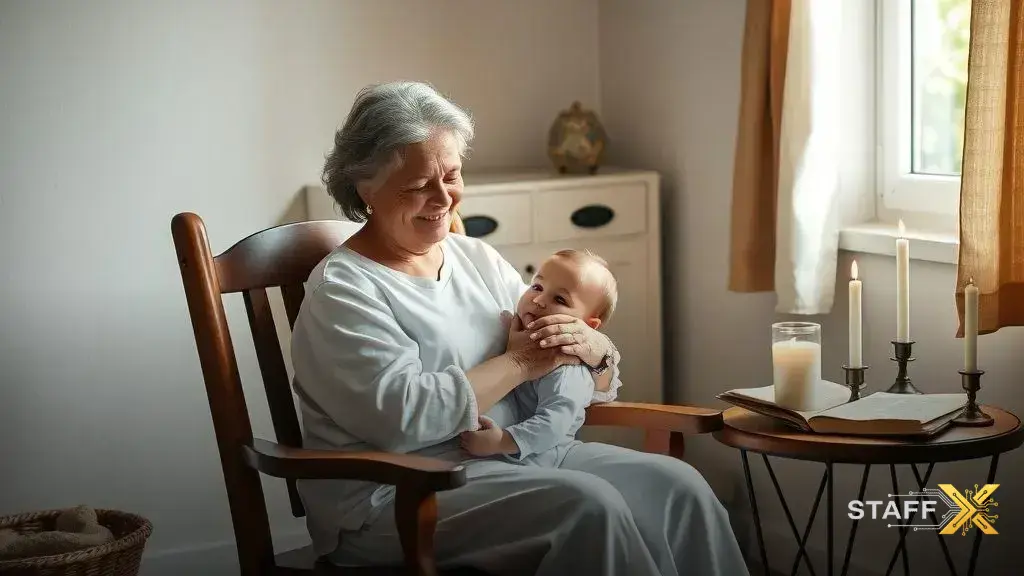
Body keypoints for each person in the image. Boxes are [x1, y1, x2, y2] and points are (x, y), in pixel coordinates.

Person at [289, 81, 750, 576]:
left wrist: (595, 350)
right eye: (419, 185)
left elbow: (566, 364)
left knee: (679, 487)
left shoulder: (475, 257)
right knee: (587, 505)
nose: (444, 198)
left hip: (517, 454)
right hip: (400, 493)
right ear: (366, 188)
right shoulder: (343, 290)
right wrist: (520, 362)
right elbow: (404, 418)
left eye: (452, 175)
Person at [460, 249, 618, 468]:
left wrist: (503, 441)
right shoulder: (516, 327)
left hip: (542, 457)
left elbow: (555, 422)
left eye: (560, 299)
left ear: (586, 327)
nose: (539, 300)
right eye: (537, 287)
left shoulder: (565, 366)